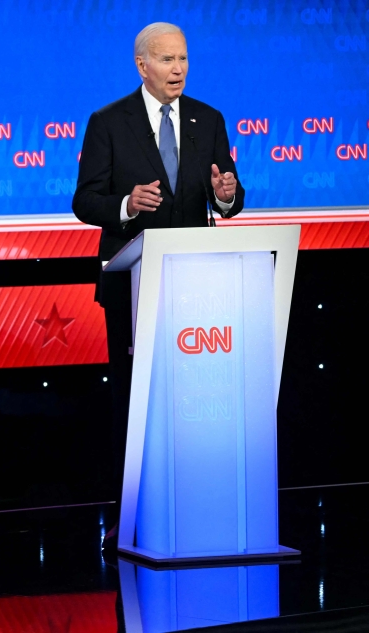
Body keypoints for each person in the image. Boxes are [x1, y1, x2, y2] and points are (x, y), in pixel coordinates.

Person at [71, 22, 244, 551]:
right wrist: (126, 206)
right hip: (133, 287)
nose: (179, 70)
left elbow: (228, 199)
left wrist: (227, 194)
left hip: (197, 291)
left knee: (195, 401)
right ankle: (132, 518)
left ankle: (202, 509)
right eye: (167, 60)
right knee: (136, 404)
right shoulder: (108, 122)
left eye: (184, 59)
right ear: (142, 65)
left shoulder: (207, 119)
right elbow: (85, 200)